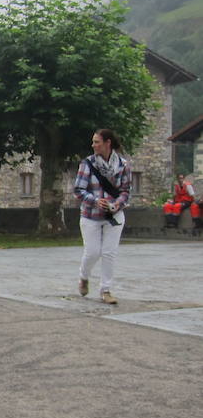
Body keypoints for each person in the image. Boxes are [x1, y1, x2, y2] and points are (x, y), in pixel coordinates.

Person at [74, 129, 131, 305]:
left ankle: (105, 290)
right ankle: (83, 277)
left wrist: (115, 205)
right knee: (92, 252)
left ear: (108, 143)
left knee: (109, 253)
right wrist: (95, 200)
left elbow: (126, 191)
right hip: (91, 215)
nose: (93, 145)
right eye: (93, 142)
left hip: (113, 216)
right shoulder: (87, 164)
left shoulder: (123, 165)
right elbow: (78, 190)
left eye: (97, 142)